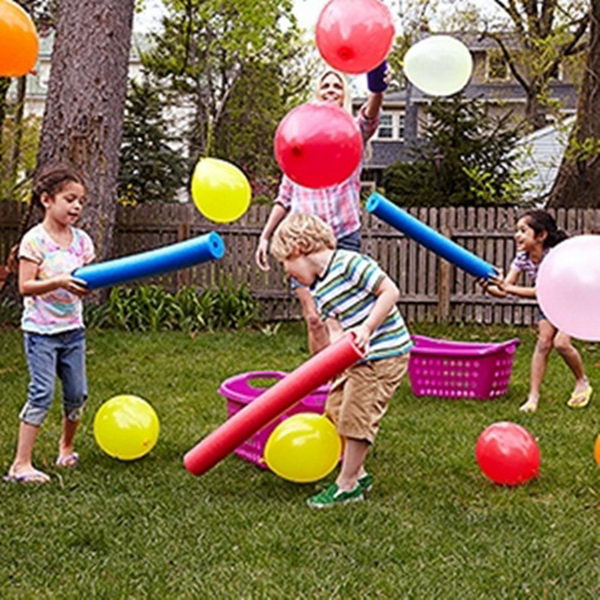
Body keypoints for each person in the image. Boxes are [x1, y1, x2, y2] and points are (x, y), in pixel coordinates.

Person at [270, 212, 413, 508]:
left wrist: (366, 327)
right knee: (334, 410)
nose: (287, 274)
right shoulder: (319, 288)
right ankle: (357, 474)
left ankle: (346, 485)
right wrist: (330, 360)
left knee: (356, 415)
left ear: (297, 247)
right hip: (355, 359)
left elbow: (390, 291)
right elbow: (334, 328)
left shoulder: (350, 262)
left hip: (383, 354)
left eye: (285, 265)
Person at [255, 62, 389, 354]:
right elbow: (284, 196)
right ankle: (317, 385)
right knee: (314, 318)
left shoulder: (351, 132)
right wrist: (265, 236)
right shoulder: (299, 139)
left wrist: (377, 89)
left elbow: (371, 116)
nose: (331, 89)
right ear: (317, 93)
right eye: (326, 85)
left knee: (339, 317)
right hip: (302, 241)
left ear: (344, 95)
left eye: (337, 85)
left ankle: (341, 382)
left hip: (342, 235)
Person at [4, 164, 95, 484]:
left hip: (72, 329)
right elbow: (25, 287)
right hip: (41, 331)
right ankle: (20, 465)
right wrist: (58, 281)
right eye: (70, 199)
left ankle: (66, 449)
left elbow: (85, 282)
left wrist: (85, 285)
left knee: (77, 393)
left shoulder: (82, 242)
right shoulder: (35, 241)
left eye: (80, 201)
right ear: (47, 200)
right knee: (41, 392)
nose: (76, 207)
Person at [481, 209, 592, 413]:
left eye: (523, 230)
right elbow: (505, 289)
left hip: (572, 302)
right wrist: (489, 287)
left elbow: (541, 290)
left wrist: (508, 288)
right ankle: (533, 397)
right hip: (549, 304)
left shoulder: (555, 257)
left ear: (541, 236)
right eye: (517, 230)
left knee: (561, 343)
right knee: (543, 343)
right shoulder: (522, 258)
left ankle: (582, 381)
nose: (517, 235)